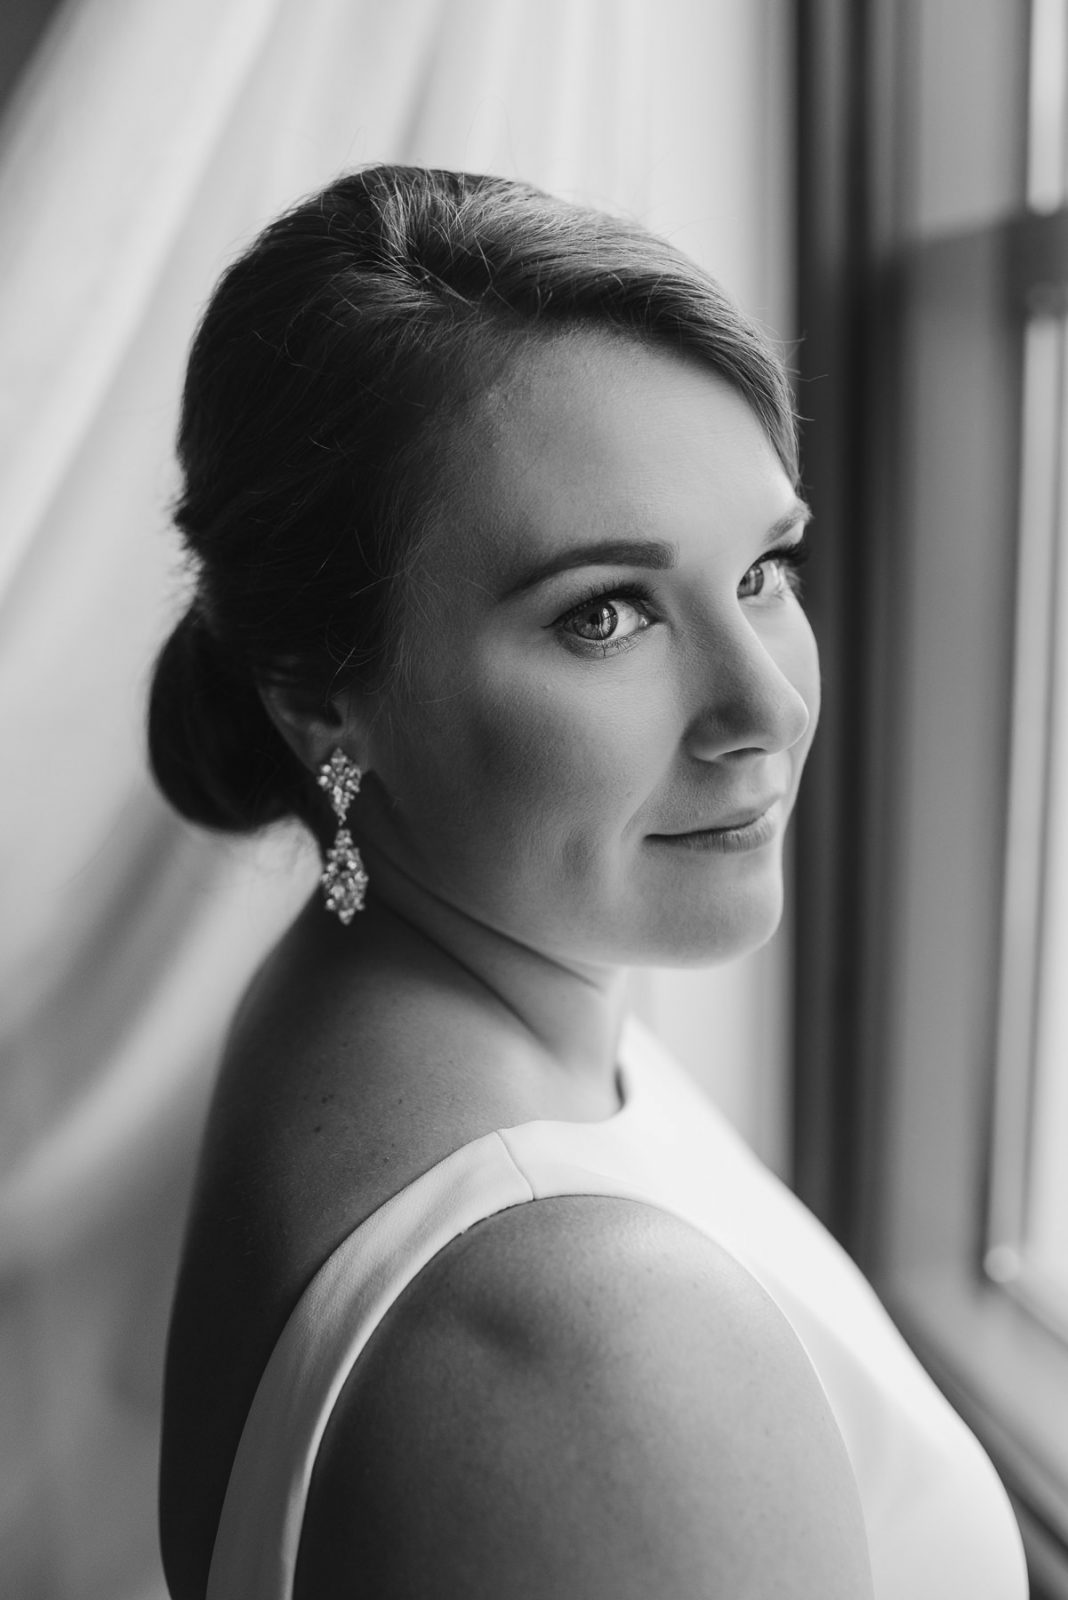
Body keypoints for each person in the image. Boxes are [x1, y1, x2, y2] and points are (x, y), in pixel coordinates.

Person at [151, 165, 1027, 1600]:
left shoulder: (376, 987)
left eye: (763, 571)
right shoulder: (591, 1347)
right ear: (320, 700)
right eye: (605, 615)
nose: (766, 710)